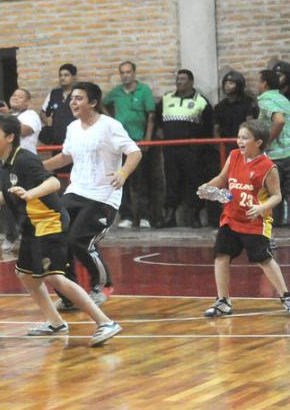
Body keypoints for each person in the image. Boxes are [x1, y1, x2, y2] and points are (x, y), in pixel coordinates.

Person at [0, 114, 121, 345]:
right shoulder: (4, 162)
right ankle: (55, 322)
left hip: (49, 222)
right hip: (32, 226)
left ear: (9, 137)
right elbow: (10, 189)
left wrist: (30, 194)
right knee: (25, 275)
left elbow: (53, 182)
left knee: (54, 276)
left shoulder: (25, 159)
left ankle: (105, 322)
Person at [44, 82, 141, 308]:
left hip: (103, 196)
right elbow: (65, 156)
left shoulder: (110, 126)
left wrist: (123, 173)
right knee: (57, 239)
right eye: (72, 98)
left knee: (79, 240)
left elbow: (134, 152)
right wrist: (37, 168)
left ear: (93, 103)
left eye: (79, 98)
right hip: (75, 191)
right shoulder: (72, 128)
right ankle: (70, 295)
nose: (73, 102)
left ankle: (102, 286)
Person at [198, 119, 290, 317]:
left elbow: (277, 196)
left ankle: (286, 296)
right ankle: (223, 301)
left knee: (264, 259)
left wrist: (261, 207)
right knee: (221, 255)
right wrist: (208, 187)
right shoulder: (234, 156)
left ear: (258, 142)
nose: (239, 141)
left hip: (255, 222)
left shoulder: (268, 167)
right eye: (239, 137)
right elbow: (222, 179)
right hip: (231, 218)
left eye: (245, 138)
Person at [103, 60, 161, 228]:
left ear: (134, 73)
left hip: (138, 143)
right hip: (119, 144)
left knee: (142, 180)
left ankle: (144, 217)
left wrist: (147, 139)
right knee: (122, 180)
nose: (125, 75)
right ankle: (126, 216)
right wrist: (111, 119)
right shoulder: (116, 92)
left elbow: (151, 115)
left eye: (128, 72)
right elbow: (102, 103)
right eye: (122, 73)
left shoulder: (144, 90)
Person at [156, 69, 214, 228]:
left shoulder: (201, 101)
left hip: (192, 151)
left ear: (191, 82)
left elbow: (208, 126)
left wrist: (199, 144)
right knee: (172, 181)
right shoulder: (166, 99)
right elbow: (157, 121)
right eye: (178, 79)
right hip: (170, 149)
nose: (179, 82)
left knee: (194, 181)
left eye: (183, 79)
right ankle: (170, 216)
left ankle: (195, 216)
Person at [253, 69, 290, 226]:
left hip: (276, 154)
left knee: (274, 193)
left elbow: (279, 120)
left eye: (258, 81)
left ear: (265, 84)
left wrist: (267, 142)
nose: (257, 85)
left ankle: (275, 226)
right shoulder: (283, 99)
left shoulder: (265, 99)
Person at [214, 70, 258, 150]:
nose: (227, 86)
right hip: (225, 146)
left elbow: (250, 125)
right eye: (225, 83)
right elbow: (216, 128)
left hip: (244, 144)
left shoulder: (248, 103)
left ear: (239, 85)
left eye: (231, 83)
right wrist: (220, 147)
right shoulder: (220, 106)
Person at [40, 64, 78, 145]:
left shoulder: (79, 93)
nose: (62, 78)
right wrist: (49, 123)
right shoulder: (54, 93)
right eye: (60, 75)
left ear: (74, 77)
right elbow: (43, 113)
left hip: (76, 139)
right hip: (56, 141)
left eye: (66, 75)